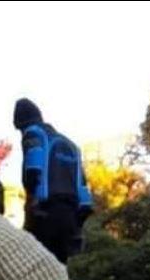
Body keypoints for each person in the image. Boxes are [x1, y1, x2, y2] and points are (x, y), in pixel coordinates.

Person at [13, 98, 93, 264]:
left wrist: (31, 206)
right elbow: (83, 187)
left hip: (45, 213)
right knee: (60, 270)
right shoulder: (71, 145)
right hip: (70, 217)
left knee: (38, 269)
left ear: (21, 123)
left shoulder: (32, 133)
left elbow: (33, 169)